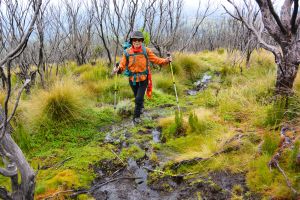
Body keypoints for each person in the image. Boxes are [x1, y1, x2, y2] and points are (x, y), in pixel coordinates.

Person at [113, 30, 172, 124]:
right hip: (132, 79)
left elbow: (156, 60)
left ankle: (136, 118)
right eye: (135, 40)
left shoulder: (146, 50)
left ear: (142, 41)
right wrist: (118, 69)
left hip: (144, 78)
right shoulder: (127, 52)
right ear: (132, 41)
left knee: (138, 99)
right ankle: (141, 107)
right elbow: (122, 65)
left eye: (139, 40)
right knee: (137, 97)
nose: (137, 41)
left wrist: (166, 61)